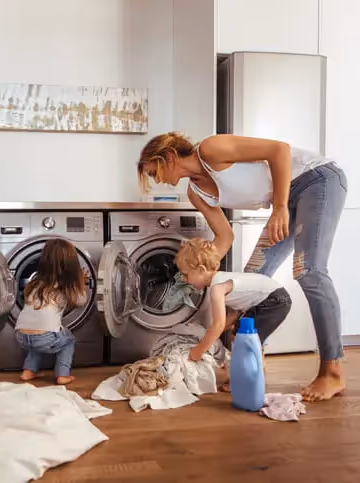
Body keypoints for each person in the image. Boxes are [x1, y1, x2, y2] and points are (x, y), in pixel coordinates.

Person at [137, 132, 347, 401]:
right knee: (249, 283)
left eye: (154, 172)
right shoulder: (195, 192)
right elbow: (224, 238)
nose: (157, 180)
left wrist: (280, 207)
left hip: (316, 180)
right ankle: (251, 366)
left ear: (169, 157)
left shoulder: (211, 149)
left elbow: (279, 150)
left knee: (309, 272)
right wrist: (198, 267)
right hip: (289, 197)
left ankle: (332, 371)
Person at [176, 238, 292, 389]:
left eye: (186, 274)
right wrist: (206, 337)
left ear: (201, 270)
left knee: (247, 341)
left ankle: (251, 381)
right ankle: (250, 379)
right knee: (239, 335)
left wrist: (199, 350)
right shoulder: (221, 279)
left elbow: (218, 325)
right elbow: (231, 316)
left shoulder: (217, 288)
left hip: (274, 301)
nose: (185, 279)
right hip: (271, 298)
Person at [14, 239, 87, 385]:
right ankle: (62, 374)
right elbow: (81, 301)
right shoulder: (66, 286)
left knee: (37, 338)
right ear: (72, 265)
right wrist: (81, 282)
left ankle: (28, 371)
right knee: (68, 340)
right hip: (45, 338)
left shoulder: (34, 283)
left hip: (20, 336)